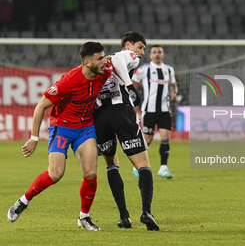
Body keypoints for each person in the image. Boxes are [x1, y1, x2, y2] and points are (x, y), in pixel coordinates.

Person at [7, 42, 113, 231]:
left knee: (91, 173)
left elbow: (123, 60)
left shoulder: (105, 70)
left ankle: (84, 217)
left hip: (85, 127)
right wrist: (33, 137)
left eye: (104, 57)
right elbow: (40, 106)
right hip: (62, 127)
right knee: (55, 174)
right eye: (99, 58)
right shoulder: (68, 81)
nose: (104, 61)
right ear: (87, 63)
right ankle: (24, 200)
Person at [94, 31, 159, 231]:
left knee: (111, 163)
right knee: (143, 165)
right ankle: (146, 211)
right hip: (121, 112)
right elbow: (119, 60)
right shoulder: (125, 55)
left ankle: (124, 217)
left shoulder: (98, 63)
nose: (141, 53)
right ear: (128, 44)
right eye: (140, 47)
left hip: (99, 116)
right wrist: (130, 87)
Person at [131, 45, 178, 178]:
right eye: (154, 52)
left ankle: (163, 167)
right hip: (149, 110)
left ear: (163, 55)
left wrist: (174, 92)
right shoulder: (145, 69)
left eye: (159, 52)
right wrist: (130, 97)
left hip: (165, 110)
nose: (157, 54)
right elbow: (132, 82)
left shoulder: (169, 70)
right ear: (150, 55)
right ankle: (138, 164)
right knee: (148, 138)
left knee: (165, 137)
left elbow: (174, 84)